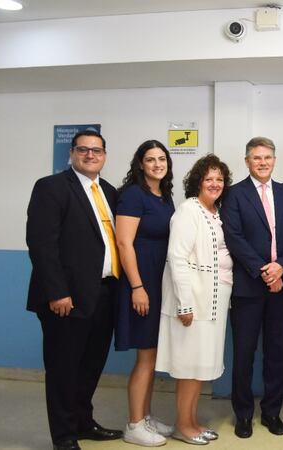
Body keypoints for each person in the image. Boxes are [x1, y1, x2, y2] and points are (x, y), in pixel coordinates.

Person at [26, 129, 124, 450]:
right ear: (72, 153)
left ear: (105, 155)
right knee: (63, 369)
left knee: (91, 366)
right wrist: (57, 292)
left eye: (96, 150)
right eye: (83, 150)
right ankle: (64, 436)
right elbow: (42, 244)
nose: (90, 155)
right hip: (67, 298)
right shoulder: (51, 187)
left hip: (105, 293)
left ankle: (83, 422)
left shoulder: (109, 192)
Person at [221, 137, 283, 438]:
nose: (263, 162)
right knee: (244, 353)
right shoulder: (234, 194)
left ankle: (271, 412)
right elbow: (234, 238)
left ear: (274, 160)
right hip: (249, 288)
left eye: (267, 157)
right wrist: (264, 271)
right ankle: (243, 414)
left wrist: (281, 266)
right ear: (247, 161)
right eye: (256, 158)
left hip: (282, 286)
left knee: (277, 352)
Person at [155, 154, 233, 446]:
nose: (214, 184)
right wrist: (185, 304)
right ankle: (182, 426)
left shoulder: (214, 211)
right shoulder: (189, 210)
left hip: (212, 302)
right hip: (194, 304)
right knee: (189, 367)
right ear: (198, 182)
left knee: (199, 366)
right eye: (208, 178)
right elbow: (177, 258)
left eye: (219, 179)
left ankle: (191, 421)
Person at [114, 140, 176, 446]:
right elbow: (124, 243)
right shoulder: (133, 195)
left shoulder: (164, 195)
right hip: (142, 282)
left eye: (161, 159)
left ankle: (145, 417)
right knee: (146, 356)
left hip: (159, 281)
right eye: (150, 159)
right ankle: (134, 424)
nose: (157, 164)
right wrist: (137, 287)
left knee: (151, 352)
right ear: (140, 164)